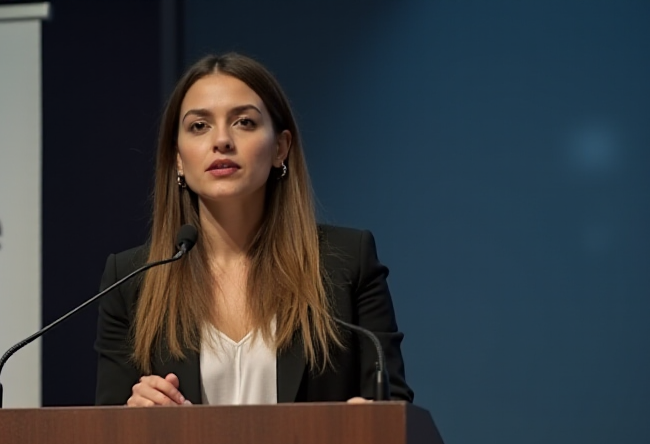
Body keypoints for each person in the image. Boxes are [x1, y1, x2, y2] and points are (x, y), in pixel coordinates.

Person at [94, 53, 412, 407]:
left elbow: (393, 406)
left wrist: (373, 419)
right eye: (199, 126)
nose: (222, 141)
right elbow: (107, 434)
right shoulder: (132, 281)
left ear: (280, 148)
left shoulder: (347, 263)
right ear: (178, 159)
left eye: (244, 122)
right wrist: (132, 417)